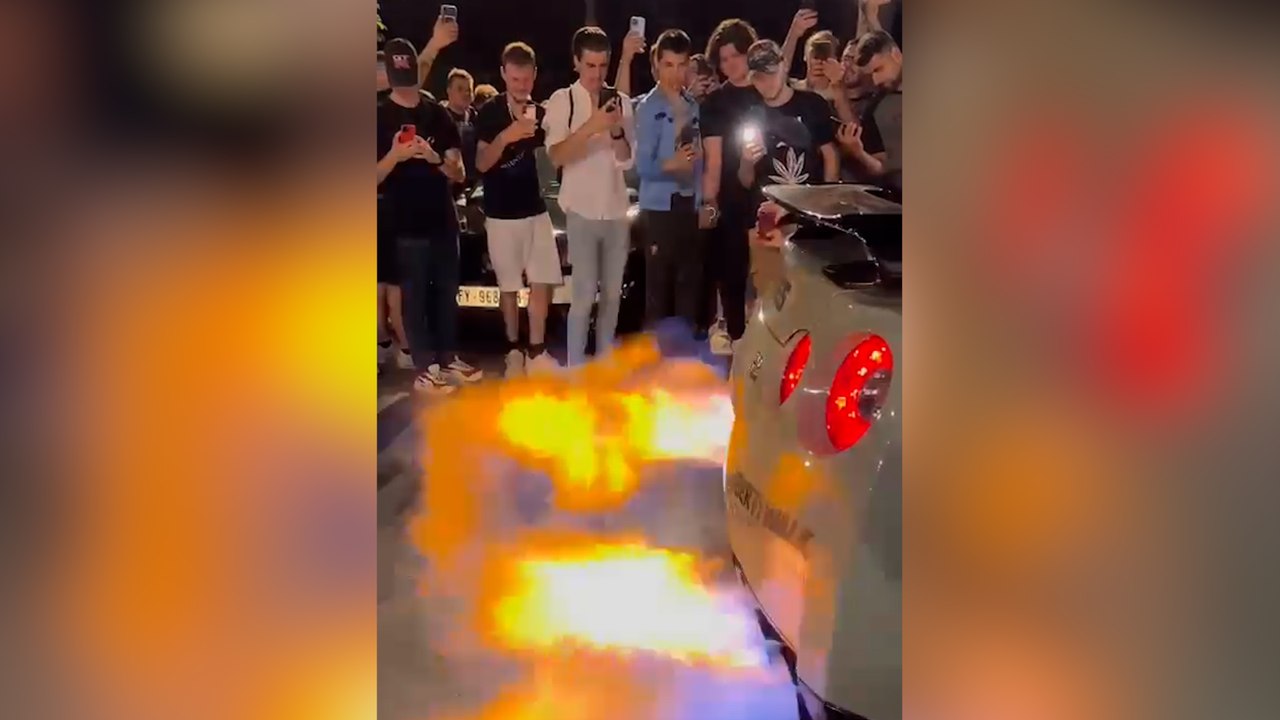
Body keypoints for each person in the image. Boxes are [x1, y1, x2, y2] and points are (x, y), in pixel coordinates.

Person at [377, 38, 483, 393]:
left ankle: (448, 357)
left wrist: (435, 158)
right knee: (415, 297)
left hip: (443, 218)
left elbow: (460, 171)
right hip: (405, 223)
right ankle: (425, 367)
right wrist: (396, 156)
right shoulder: (378, 116)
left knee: (446, 293)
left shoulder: (436, 113)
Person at [544, 27, 634, 368]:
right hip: (580, 212)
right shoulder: (562, 100)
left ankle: (605, 362)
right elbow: (556, 156)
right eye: (590, 65)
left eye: (602, 65)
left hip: (615, 211)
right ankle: (576, 370)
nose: (597, 74)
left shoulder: (622, 102)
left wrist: (614, 131)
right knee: (582, 297)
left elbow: (626, 159)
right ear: (576, 63)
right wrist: (593, 125)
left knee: (612, 294)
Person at [473, 42, 561, 377]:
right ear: (503, 75)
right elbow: (482, 162)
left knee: (543, 281)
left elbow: (555, 158)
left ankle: (537, 351)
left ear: (535, 76)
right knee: (508, 286)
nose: (521, 86)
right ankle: (513, 350)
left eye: (526, 79)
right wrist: (509, 135)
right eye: (514, 79)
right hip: (499, 213)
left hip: (535, 209)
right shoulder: (491, 112)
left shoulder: (542, 112)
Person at [739, 39, 838, 311]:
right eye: (758, 77)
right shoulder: (752, 114)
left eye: (770, 73)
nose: (766, 82)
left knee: (810, 303)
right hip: (766, 221)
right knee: (769, 303)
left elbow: (829, 155)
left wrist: (824, 205)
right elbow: (745, 179)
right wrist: (748, 161)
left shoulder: (812, 105)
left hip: (807, 221)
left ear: (783, 67)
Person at [698, 18, 761, 354]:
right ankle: (737, 347)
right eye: (723, 59)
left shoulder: (770, 91)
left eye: (736, 55)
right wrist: (709, 205)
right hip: (733, 201)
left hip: (772, 196)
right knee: (733, 280)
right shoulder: (715, 104)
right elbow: (714, 162)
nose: (731, 64)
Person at [634, 30, 703, 330]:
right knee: (658, 291)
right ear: (657, 66)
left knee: (689, 286)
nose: (675, 73)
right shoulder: (648, 108)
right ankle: (654, 365)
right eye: (669, 65)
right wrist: (670, 165)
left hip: (689, 205)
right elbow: (642, 167)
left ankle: (683, 364)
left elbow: (698, 160)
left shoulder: (693, 105)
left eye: (681, 65)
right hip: (659, 209)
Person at [837, 30, 902, 196]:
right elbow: (880, 167)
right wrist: (858, 151)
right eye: (871, 74)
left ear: (895, 54)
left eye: (878, 69)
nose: (876, 80)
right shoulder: (875, 110)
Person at [443, 68, 479, 191]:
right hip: (450, 186)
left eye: (469, 90)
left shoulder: (475, 117)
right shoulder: (440, 118)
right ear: (449, 91)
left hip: (474, 184)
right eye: (460, 89)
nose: (466, 94)